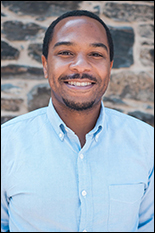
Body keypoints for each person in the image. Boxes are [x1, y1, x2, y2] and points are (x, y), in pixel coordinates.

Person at [1, 10, 154, 232]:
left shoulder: (147, 144)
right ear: (45, 65)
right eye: (65, 52)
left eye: (95, 54)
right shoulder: (6, 144)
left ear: (110, 67)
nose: (81, 66)